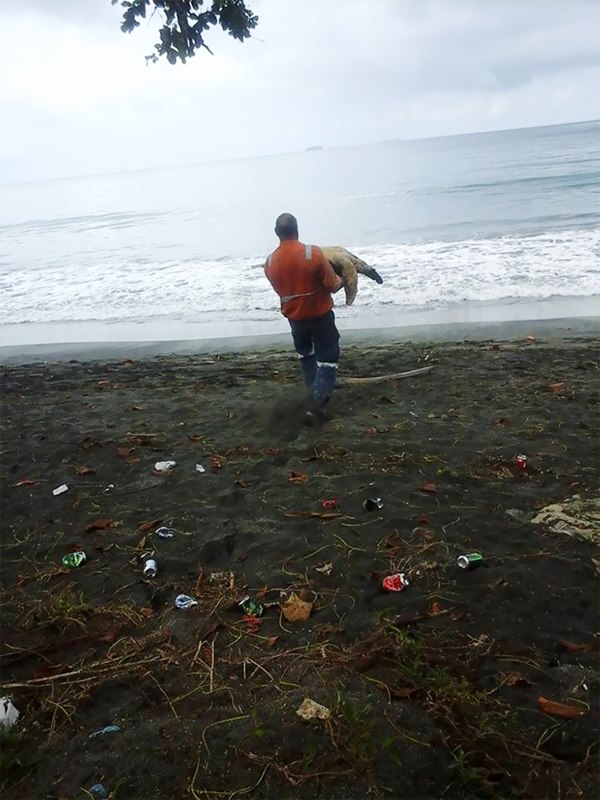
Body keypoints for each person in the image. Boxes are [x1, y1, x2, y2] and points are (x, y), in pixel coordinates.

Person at [265, 213, 343, 413]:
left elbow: (282, 290)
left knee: (306, 356)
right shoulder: (313, 254)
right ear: (297, 229)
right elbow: (332, 285)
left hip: (296, 321)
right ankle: (316, 406)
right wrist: (342, 278)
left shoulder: (270, 262)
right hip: (320, 317)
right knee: (328, 357)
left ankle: (313, 394)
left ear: (276, 233)